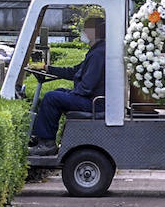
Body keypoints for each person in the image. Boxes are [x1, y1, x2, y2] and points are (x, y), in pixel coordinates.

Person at [28, 16, 107, 156]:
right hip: (93, 99)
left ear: (94, 31)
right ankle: (41, 138)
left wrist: (72, 93)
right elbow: (74, 71)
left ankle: (47, 143)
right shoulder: (97, 50)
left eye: (85, 29)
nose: (83, 33)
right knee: (58, 92)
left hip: (95, 103)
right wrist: (47, 68)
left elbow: (87, 87)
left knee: (52, 97)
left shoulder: (99, 54)